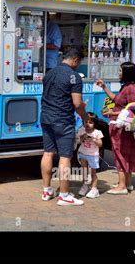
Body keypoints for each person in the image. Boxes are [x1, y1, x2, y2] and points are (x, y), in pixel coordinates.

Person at [40, 48, 90, 206]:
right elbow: (76, 104)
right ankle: (64, 195)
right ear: (75, 60)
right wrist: (85, 116)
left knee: (48, 153)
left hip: (46, 118)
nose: (78, 65)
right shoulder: (74, 76)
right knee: (65, 157)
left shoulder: (49, 73)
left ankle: (47, 190)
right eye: (79, 63)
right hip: (63, 120)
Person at [97, 62, 135, 195]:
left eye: (121, 70)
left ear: (128, 73)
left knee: (120, 153)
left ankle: (122, 186)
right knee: (122, 153)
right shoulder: (127, 87)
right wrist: (104, 87)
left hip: (122, 127)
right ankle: (126, 183)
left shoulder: (131, 88)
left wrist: (111, 113)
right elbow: (117, 100)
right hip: (117, 125)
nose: (119, 72)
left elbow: (131, 110)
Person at [76, 112, 104, 199]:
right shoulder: (82, 130)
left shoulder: (97, 132)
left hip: (93, 155)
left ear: (95, 123)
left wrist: (94, 139)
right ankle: (85, 185)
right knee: (84, 171)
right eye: (86, 122)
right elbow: (79, 141)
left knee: (93, 172)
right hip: (83, 153)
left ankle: (94, 189)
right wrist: (83, 137)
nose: (87, 124)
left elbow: (100, 144)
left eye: (90, 122)